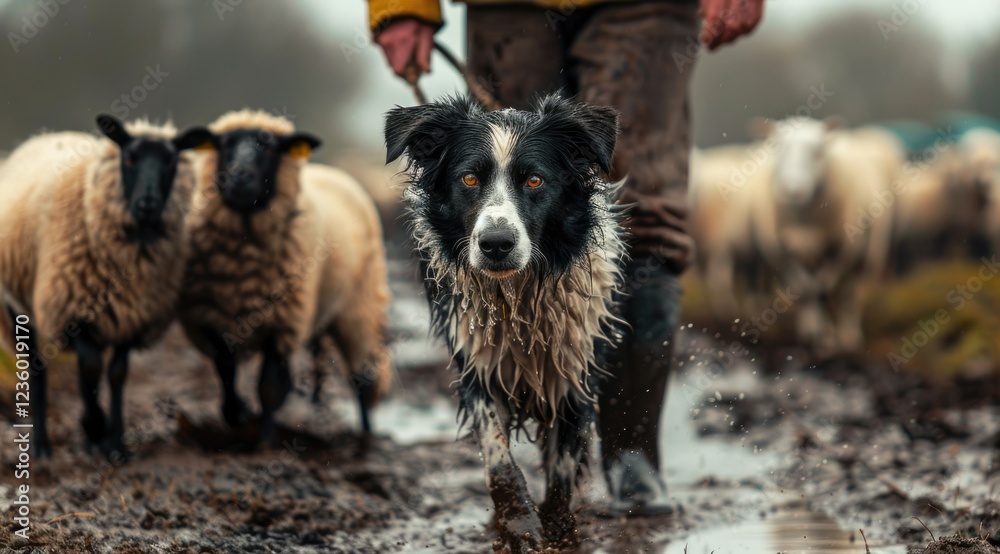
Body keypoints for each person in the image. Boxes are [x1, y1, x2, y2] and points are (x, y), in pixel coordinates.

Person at [367, 0, 765, 514]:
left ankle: (632, 459)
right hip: (506, 8)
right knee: (494, 155)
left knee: (643, 211)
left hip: (649, 9)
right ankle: (504, 407)